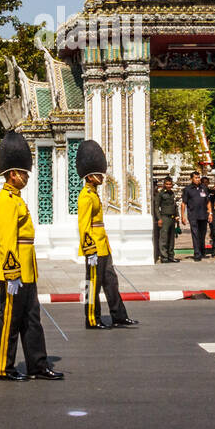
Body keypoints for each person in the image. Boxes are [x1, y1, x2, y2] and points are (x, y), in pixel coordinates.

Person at [0, 131, 62, 381]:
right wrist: (12, 274)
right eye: (24, 173)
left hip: (27, 270)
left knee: (32, 319)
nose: (27, 177)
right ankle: (3, 367)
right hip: (15, 271)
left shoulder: (16, 199)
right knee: (10, 321)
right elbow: (7, 240)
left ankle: (37, 364)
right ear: (13, 173)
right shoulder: (6, 201)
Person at [76, 140, 138, 330]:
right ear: (90, 176)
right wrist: (90, 250)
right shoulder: (86, 196)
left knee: (111, 281)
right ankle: (91, 318)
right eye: (99, 174)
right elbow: (83, 226)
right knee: (92, 284)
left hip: (103, 245)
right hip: (94, 246)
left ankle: (119, 315)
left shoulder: (94, 194)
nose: (102, 177)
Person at [179, 171, 210, 261]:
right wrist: (182, 216)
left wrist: (210, 213)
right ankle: (197, 253)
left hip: (203, 214)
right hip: (193, 215)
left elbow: (208, 202)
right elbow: (183, 203)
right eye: (196, 178)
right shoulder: (187, 189)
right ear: (191, 179)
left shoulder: (203, 188)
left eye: (198, 177)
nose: (198, 179)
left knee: (203, 234)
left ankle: (202, 250)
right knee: (195, 234)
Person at [154, 176, 178, 263]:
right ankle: (164, 257)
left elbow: (174, 205)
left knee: (171, 238)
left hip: (172, 217)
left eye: (170, 184)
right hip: (164, 217)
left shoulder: (172, 193)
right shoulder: (161, 194)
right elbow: (156, 207)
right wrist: (159, 218)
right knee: (164, 238)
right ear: (164, 184)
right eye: (167, 184)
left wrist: (177, 215)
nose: (168, 186)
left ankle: (171, 256)